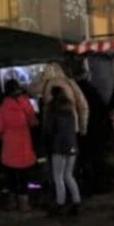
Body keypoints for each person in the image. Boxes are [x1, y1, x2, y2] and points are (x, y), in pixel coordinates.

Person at [0, 78, 37, 212]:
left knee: (11, 175)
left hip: (9, 148)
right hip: (24, 144)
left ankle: (12, 201)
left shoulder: (3, 107)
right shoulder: (25, 103)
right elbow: (34, 122)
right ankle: (24, 203)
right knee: (24, 176)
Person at [43, 86, 81, 216]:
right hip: (72, 144)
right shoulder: (70, 108)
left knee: (58, 176)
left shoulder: (52, 109)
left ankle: (60, 203)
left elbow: (49, 130)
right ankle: (76, 201)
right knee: (68, 175)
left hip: (58, 146)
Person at [72, 65, 109, 196]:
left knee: (85, 159)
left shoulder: (75, 92)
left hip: (83, 131)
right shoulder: (92, 90)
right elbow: (104, 109)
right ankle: (99, 185)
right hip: (96, 130)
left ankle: (88, 186)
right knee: (97, 159)